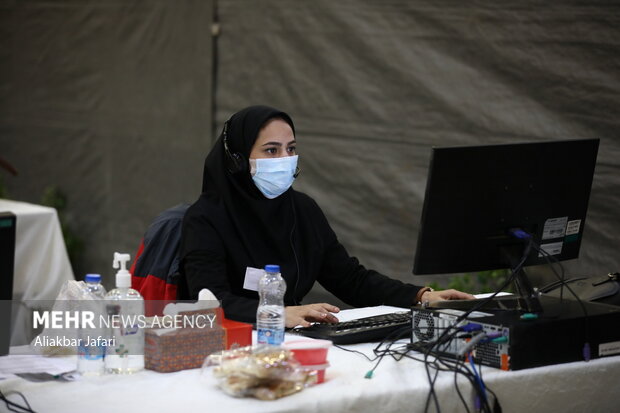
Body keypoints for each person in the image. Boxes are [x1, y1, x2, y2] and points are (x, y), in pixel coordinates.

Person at [179, 105, 473, 328]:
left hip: (291, 342)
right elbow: (210, 301)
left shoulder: (302, 210)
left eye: (291, 149)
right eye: (271, 150)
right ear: (237, 160)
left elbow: (350, 279)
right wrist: (278, 313)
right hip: (229, 349)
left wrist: (420, 296)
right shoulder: (205, 218)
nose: (284, 159)